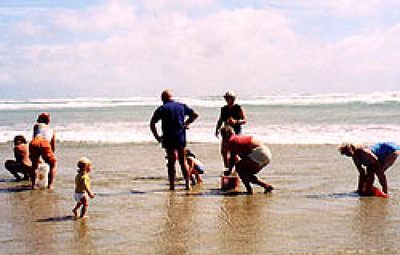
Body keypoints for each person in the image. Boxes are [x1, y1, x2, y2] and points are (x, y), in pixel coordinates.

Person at [150, 90, 199, 190]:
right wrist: (186, 124)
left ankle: (172, 185)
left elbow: (152, 123)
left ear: (163, 99)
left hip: (168, 137)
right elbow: (195, 114)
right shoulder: (181, 106)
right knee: (183, 161)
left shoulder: (162, 108)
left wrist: (157, 137)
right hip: (180, 136)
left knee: (171, 162)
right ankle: (187, 184)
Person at [220, 125, 273, 194]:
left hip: (259, 152)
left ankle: (249, 190)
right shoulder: (237, 138)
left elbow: (232, 159)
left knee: (240, 168)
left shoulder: (232, 141)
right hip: (266, 153)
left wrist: (229, 170)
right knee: (246, 173)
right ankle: (266, 186)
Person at [215, 91, 247, 168]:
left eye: (230, 98)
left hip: (236, 132)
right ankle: (227, 167)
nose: (228, 99)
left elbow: (244, 120)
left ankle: (237, 168)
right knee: (224, 151)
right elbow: (220, 120)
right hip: (226, 132)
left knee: (234, 152)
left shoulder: (238, 107)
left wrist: (235, 121)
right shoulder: (224, 109)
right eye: (227, 98)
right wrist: (217, 129)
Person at [29, 112, 57, 189]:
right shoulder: (52, 129)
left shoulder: (36, 126)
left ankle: (33, 185)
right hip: (45, 143)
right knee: (53, 164)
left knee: (34, 165)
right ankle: (50, 185)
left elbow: (34, 136)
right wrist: (51, 153)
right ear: (48, 120)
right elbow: (53, 143)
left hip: (35, 142)